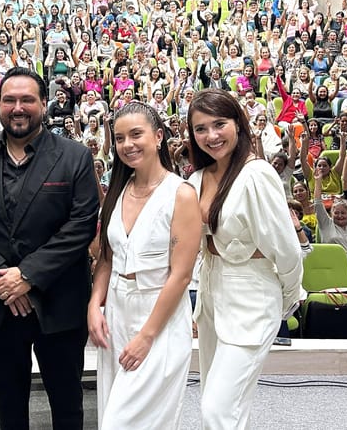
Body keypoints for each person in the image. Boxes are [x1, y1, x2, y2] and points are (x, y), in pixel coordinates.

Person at [0, 67, 100, 430]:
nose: (18, 107)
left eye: (27, 99)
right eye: (10, 100)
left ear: (44, 105)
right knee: (9, 402)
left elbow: (80, 226)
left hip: (58, 303)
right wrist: (3, 278)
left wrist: (28, 276)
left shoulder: (74, 156)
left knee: (66, 402)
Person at [185, 88, 304, 429]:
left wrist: (285, 300)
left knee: (217, 409)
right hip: (211, 297)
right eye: (200, 128)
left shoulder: (257, 174)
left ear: (238, 123)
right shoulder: (196, 179)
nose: (211, 135)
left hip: (253, 298)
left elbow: (287, 249)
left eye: (219, 124)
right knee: (223, 404)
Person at [88, 102, 200, 429]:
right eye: (120, 138)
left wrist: (147, 336)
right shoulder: (118, 192)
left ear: (159, 136)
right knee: (111, 411)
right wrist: (95, 304)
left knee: (126, 422)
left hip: (159, 316)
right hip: (117, 313)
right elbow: (107, 257)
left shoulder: (181, 193)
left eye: (136, 134)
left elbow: (180, 276)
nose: (128, 144)